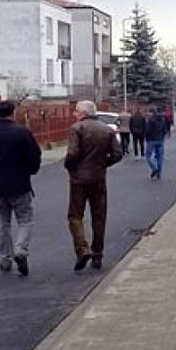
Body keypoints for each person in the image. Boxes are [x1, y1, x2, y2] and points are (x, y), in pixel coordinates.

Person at [0, 100, 42, 276]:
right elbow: (35, 156)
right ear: (13, 113)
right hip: (20, 185)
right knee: (25, 220)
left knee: (3, 223)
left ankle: (5, 258)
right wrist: (31, 170)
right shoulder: (23, 133)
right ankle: (21, 251)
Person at [65, 100, 123, 270]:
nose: (74, 114)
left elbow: (73, 153)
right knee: (99, 216)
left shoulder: (77, 129)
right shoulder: (107, 130)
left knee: (75, 215)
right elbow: (118, 154)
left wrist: (69, 166)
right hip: (98, 178)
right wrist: (103, 164)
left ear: (83, 113)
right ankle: (97, 254)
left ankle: (82, 249)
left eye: (76, 111)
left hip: (78, 180)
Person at [145, 104, 168, 180]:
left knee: (148, 156)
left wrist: (147, 138)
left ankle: (155, 169)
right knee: (160, 157)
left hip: (151, 140)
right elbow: (165, 130)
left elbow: (147, 130)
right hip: (160, 140)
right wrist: (162, 137)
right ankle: (159, 174)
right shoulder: (163, 119)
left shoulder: (151, 120)